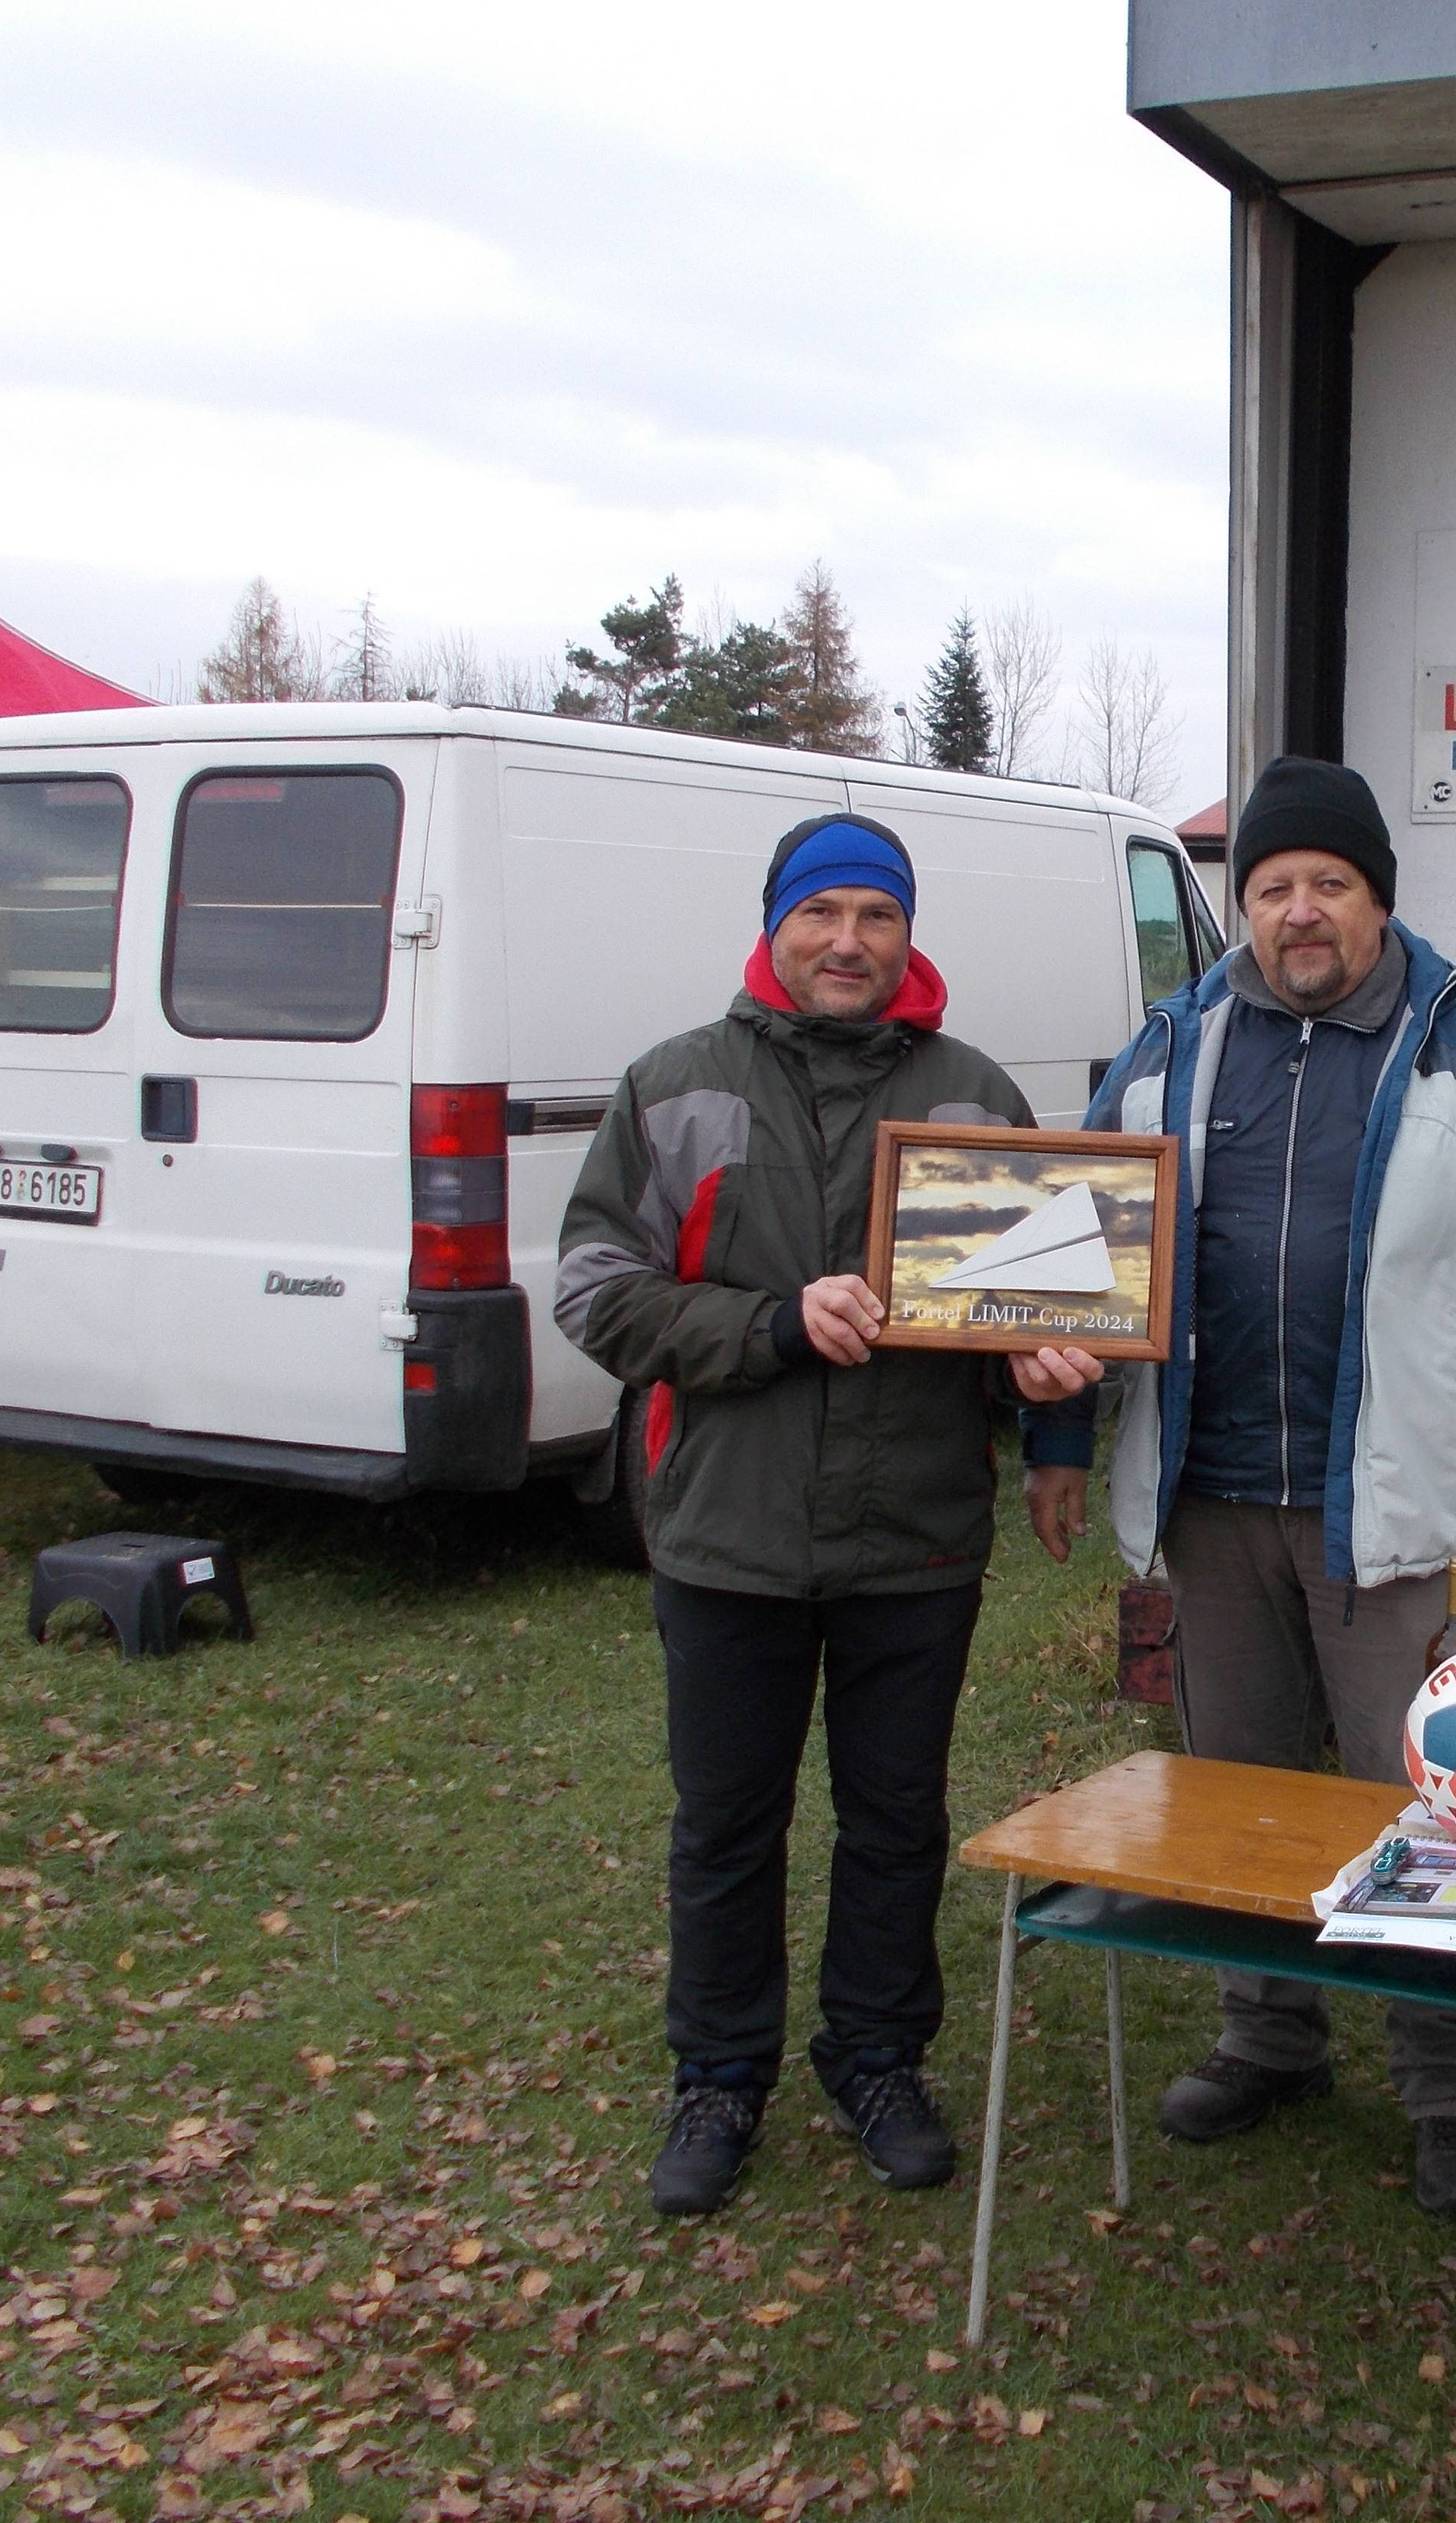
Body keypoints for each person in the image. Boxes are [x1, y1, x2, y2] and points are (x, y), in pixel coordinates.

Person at [1021, 755, 1456, 2219]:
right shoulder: (1169, 1050)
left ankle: (1452, 2087)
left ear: (1378, 900)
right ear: (1244, 904)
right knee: (1241, 1797)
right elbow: (1072, 1260)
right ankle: (1270, 2038)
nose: (1301, 911)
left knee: (1439, 1807)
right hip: (1214, 1500)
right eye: (1275, 886)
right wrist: (1057, 1434)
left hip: (1395, 1519)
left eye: (1330, 885)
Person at [556, 813, 1101, 2216]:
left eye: (877, 915)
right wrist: (770, 1324)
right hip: (725, 1532)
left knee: (896, 1820)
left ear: (909, 934)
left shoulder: (975, 1098)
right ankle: (717, 2076)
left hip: (913, 1534)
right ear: (775, 925)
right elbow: (594, 1292)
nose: (848, 942)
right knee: (725, 1826)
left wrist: (1049, 1403)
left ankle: (876, 2059)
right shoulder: (675, 1086)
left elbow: (1048, 1300)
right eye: (821, 913)